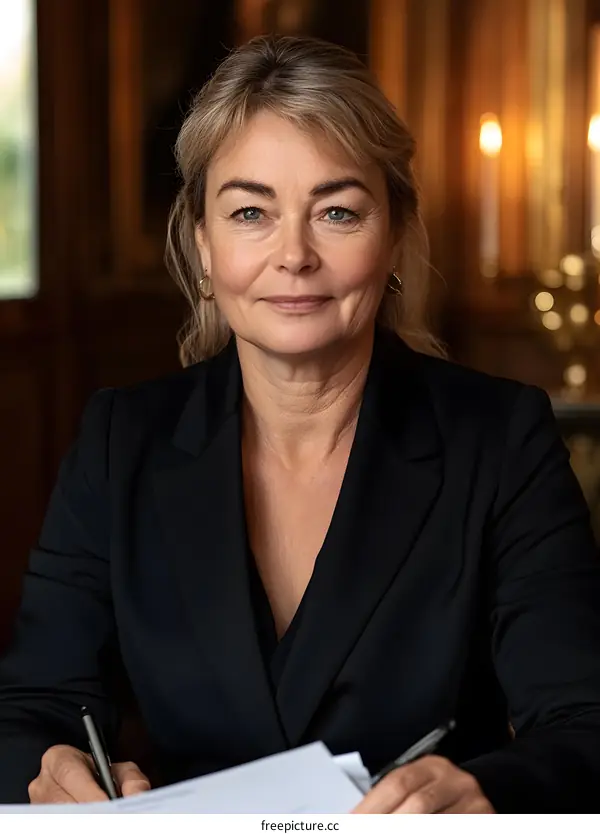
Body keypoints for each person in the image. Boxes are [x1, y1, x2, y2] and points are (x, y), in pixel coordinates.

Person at [1, 34, 600, 814]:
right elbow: (30, 710)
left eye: (337, 212)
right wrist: (51, 766)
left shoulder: (501, 439)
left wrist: (486, 789)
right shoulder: (122, 443)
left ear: (394, 237)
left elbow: (584, 725)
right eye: (251, 211)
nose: (294, 255)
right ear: (202, 244)